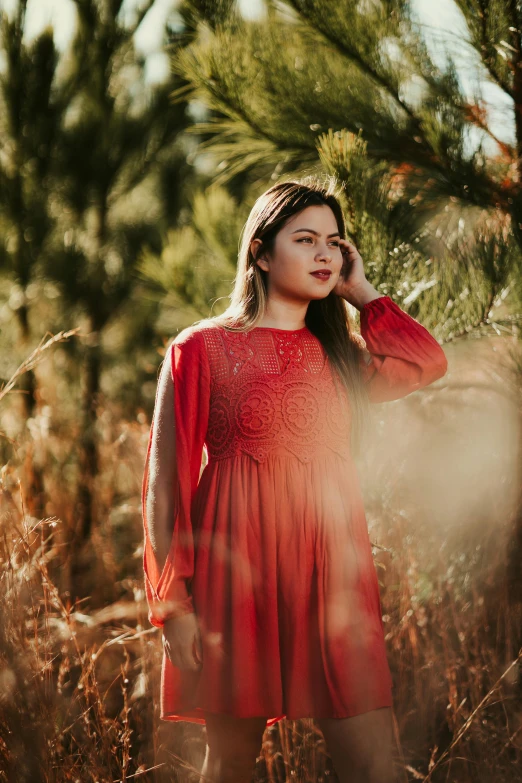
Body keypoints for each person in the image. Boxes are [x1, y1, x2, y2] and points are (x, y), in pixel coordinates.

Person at [141, 177, 448, 783]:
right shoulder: (200, 348)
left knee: (373, 764)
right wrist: (172, 605)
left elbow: (425, 362)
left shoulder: (341, 354)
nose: (324, 255)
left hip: (333, 574)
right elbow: (165, 484)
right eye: (304, 240)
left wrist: (362, 293)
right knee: (230, 762)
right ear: (259, 252)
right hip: (238, 577)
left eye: (334, 243)